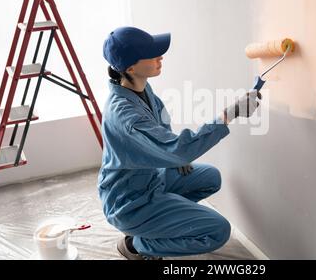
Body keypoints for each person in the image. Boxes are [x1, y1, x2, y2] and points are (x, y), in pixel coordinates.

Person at [98, 26, 261, 260]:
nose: (160, 57)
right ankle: (138, 245)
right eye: (152, 54)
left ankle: (161, 223)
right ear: (131, 67)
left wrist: (171, 160)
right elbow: (179, 149)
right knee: (218, 231)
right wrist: (229, 114)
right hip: (130, 203)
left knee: (210, 178)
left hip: (149, 180)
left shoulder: (138, 88)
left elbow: (161, 123)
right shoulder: (125, 116)